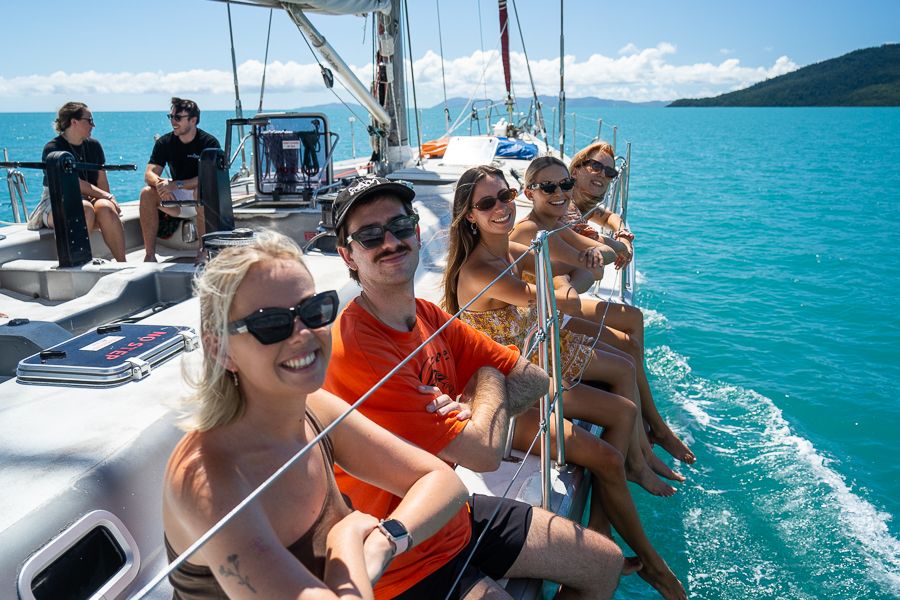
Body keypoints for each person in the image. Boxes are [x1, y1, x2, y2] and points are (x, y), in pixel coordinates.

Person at [325, 176, 628, 599]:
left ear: (416, 231)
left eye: (398, 226)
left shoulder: (427, 316)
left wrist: (476, 396)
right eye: (370, 236)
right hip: (400, 555)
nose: (389, 241)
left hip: (457, 513)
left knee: (605, 563)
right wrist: (486, 379)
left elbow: (535, 379)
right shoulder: (360, 346)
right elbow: (483, 454)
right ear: (348, 256)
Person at [162, 230, 469, 599]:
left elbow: (444, 482)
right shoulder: (207, 479)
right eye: (271, 324)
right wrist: (347, 538)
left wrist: (385, 541)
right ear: (221, 349)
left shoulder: (313, 410)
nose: (303, 334)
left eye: (313, 311)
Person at [443, 165, 687, 599]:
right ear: (469, 216)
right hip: (499, 404)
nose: (500, 208)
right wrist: (594, 258)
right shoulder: (482, 269)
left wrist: (591, 256)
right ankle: (651, 564)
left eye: (504, 196)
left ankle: (600, 535)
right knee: (606, 458)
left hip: (527, 378)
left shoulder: (512, 252)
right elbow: (550, 293)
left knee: (623, 411)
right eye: (486, 203)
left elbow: (561, 272)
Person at [512, 157, 696, 465]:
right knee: (625, 355)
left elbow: (604, 254)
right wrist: (596, 255)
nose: (559, 191)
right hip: (539, 331)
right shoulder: (533, 231)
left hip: (551, 318)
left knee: (629, 347)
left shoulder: (554, 225)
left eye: (564, 185)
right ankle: (645, 448)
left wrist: (601, 250)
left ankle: (648, 438)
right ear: (529, 192)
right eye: (548, 187)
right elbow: (582, 275)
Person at [27, 102, 126, 262]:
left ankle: (122, 263)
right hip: (56, 201)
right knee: (83, 208)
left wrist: (107, 200)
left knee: (106, 208)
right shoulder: (53, 148)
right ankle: (78, 262)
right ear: (74, 122)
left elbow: (101, 178)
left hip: (90, 197)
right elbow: (73, 183)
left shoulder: (94, 146)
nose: (93, 125)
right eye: (89, 120)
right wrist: (106, 195)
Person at [139, 97, 220, 262]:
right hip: (176, 199)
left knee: (201, 190)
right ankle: (149, 255)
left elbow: (209, 177)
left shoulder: (209, 142)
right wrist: (161, 185)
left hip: (203, 200)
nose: (173, 122)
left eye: (178, 118)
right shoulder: (165, 142)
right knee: (147, 193)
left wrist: (176, 185)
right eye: (171, 117)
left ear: (193, 120)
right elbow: (149, 174)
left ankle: (203, 251)